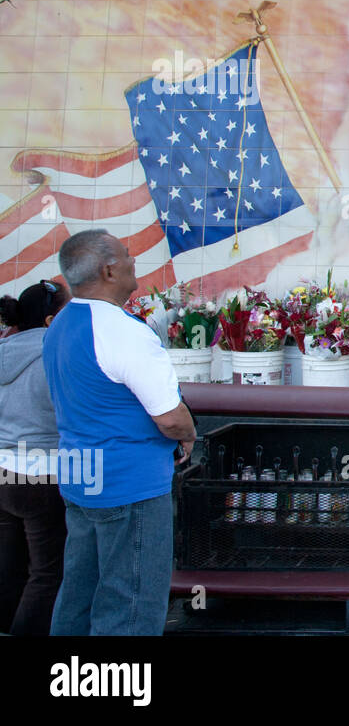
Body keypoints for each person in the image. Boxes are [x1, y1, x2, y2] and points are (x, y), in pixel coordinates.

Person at [42, 229, 197, 636]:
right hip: (129, 485)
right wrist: (189, 434)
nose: (134, 261)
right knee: (131, 601)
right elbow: (169, 416)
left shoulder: (60, 323)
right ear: (110, 270)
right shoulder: (123, 330)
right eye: (128, 256)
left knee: (79, 592)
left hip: (80, 477)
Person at [0, 279, 70, 635]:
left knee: (9, 567)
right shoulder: (55, 352)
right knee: (47, 574)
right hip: (43, 474)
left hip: (4, 472)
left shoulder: (3, 349)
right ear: (49, 320)